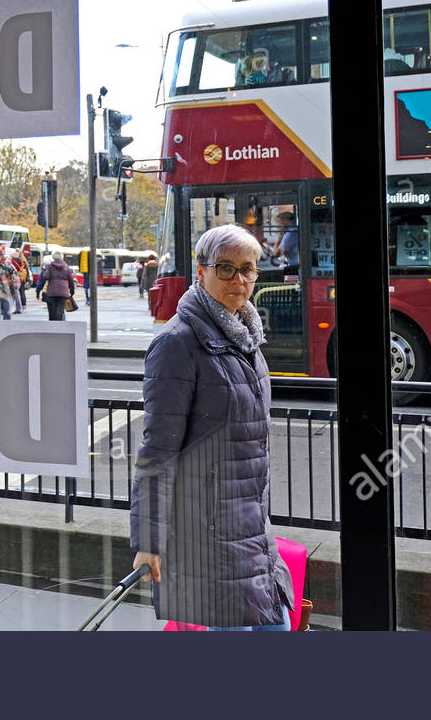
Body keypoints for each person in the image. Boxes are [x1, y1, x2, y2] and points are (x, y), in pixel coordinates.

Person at [130, 223, 294, 630]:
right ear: (200, 272)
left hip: (253, 529)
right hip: (209, 537)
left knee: (275, 627)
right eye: (225, 268)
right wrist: (148, 542)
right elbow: (158, 450)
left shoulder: (245, 337)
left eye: (248, 269)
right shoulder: (179, 343)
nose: (239, 280)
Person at [38, 254, 75, 321]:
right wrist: (72, 291)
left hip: (52, 291)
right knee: (60, 309)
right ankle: (59, 322)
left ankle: (53, 323)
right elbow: (71, 281)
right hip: (63, 292)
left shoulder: (50, 267)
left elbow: (45, 276)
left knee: (53, 309)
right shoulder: (66, 267)